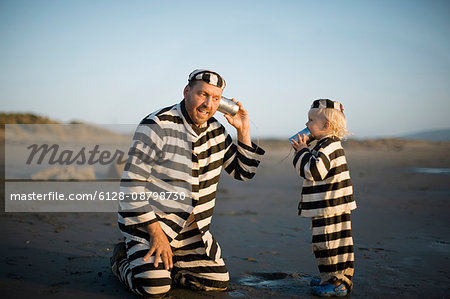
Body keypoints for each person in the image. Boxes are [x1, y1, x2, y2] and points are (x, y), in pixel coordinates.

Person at [110, 69, 265, 297]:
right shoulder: (156, 124)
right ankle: (121, 261)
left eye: (215, 98)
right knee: (154, 288)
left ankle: (169, 269)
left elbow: (244, 172)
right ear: (186, 91)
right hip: (151, 227)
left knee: (216, 281)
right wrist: (157, 233)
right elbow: (131, 186)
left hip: (192, 231)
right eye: (202, 94)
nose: (208, 104)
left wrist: (243, 130)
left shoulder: (217, 131)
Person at [290, 99, 357, 297]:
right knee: (338, 242)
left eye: (311, 120)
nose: (306, 125)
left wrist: (302, 150)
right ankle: (332, 277)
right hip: (334, 204)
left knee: (328, 243)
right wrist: (305, 150)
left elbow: (314, 171)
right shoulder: (328, 144)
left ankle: (337, 282)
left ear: (326, 126)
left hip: (329, 206)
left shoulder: (328, 145)